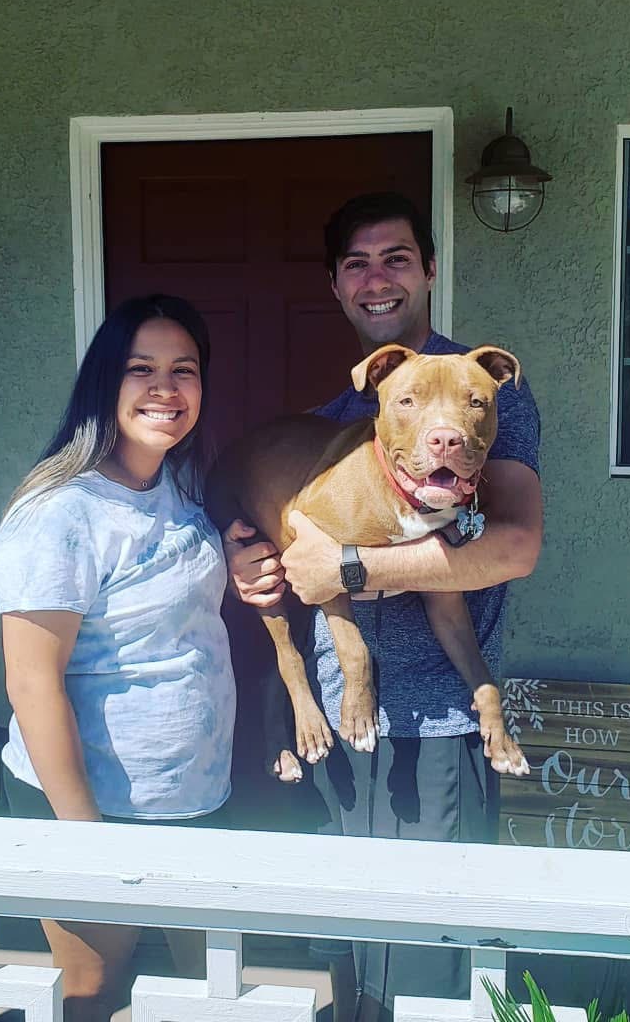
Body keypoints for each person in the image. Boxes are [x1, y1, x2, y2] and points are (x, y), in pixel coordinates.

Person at [227, 192, 543, 1022]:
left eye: (397, 258)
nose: (378, 280)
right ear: (334, 284)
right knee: (350, 945)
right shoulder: (351, 411)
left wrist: (354, 568)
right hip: (336, 716)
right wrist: (249, 562)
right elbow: (285, 542)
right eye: (358, 264)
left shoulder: (477, 394)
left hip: (437, 716)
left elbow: (513, 545)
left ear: (430, 270)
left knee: (433, 953)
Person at [0, 294, 237, 1022]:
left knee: (204, 993)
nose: (166, 387)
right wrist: (84, 840)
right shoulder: (61, 513)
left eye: (184, 369)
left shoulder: (180, 486)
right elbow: (32, 683)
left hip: (191, 792)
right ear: (104, 383)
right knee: (96, 995)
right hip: (97, 805)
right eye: (142, 368)